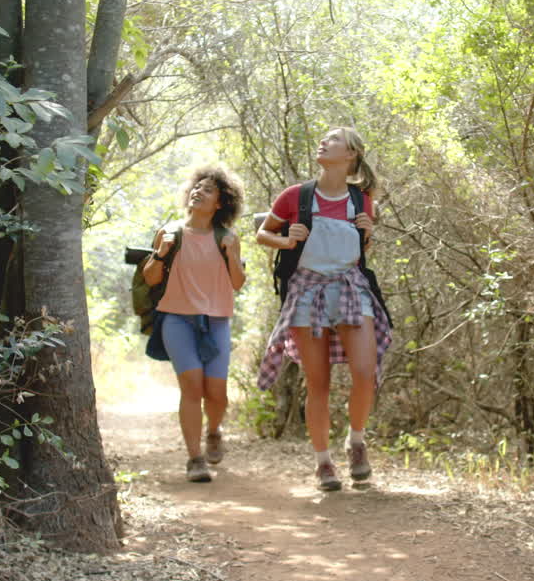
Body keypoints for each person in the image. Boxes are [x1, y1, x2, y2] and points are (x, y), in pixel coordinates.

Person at [256, 127, 392, 491]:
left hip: (350, 286)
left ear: (350, 154)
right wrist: (286, 239)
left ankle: (357, 442)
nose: (322, 142)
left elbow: (361, 250)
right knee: (319, 383)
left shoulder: (361, 200)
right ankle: (323, 464)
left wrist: (368, 232)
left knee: (365, 371)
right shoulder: (295, 196)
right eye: (323, 138)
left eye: (333, 139)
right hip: (306, 290)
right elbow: (263, 233)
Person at [142, 165, 246, 482]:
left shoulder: (226, 237)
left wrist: (232, 253)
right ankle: (195, 458)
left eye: (209, 189)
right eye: (197, 186)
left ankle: (214, 430)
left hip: (216, 321)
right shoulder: (169, 232)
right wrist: (161, 252)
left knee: (216, 392)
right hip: (176, 319)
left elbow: (238, 283)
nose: (199, 191)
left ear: (220, 202)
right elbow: (150, 278)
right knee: (191, 387)